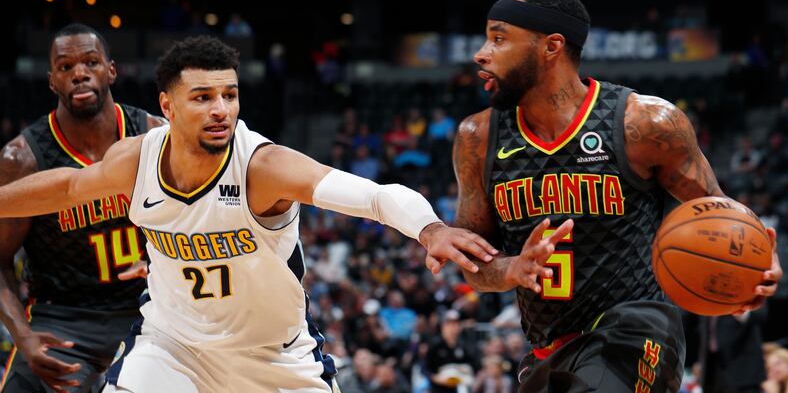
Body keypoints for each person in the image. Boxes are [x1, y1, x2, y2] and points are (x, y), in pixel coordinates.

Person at [0, 36, 497, 393]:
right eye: (202, 97)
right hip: (173, 349)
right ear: (167, 106)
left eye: (229, 95)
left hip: (274, 358)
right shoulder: (137, 158)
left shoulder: (263, 166)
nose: (221, 109)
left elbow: (373, 196)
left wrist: (429, 228)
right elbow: (68, 186)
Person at [451, 0, 783, 392]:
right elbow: (473, 265)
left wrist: (759, 257)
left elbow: (717, 210)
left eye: (499, 38)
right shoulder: (477, 138)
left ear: (552, 46)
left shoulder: (645, 124)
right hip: (548, 350)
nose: (481, 53)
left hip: (638, 332)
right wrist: (512, 269)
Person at [0, 23, 165, 392]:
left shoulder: (152, 136)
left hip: (150, 308)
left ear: (111, 70)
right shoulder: (21, 159)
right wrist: (24, 337)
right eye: (65, 67)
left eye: (91, 62)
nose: (79, 74)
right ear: (52, 81)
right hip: (63, 318)